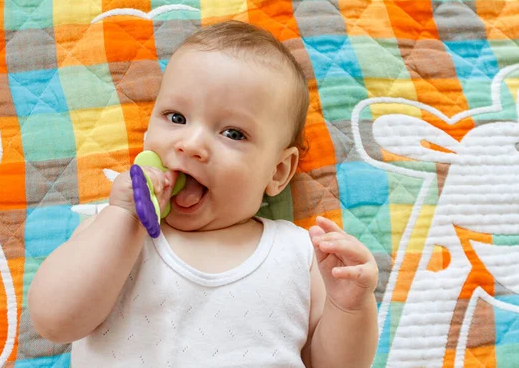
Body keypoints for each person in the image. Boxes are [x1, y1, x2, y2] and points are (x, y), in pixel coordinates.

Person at [28, 20, 379, 367]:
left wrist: (348, 307)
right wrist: (123, 216)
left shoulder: (298, 253)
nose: (191, 144)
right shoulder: (114, 230)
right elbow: (54, 322)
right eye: (176, 117)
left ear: (277, 171)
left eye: (233, 133)